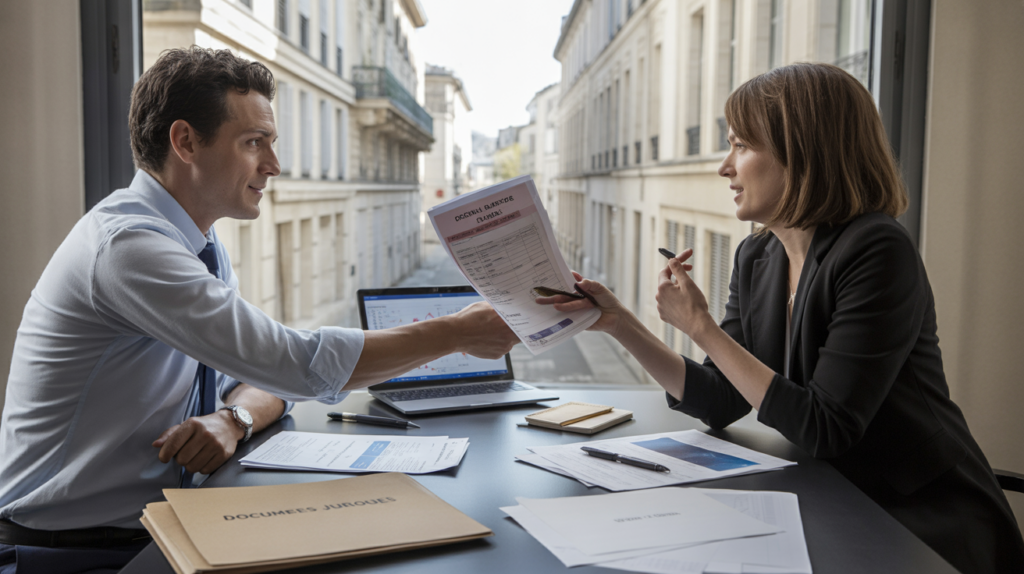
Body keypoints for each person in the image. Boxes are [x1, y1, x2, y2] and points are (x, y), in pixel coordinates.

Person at [0, 47, 517, 572]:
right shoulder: (130, 248)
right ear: (185, 142)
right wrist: (457, 333)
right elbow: (292, 364)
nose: (273, 165)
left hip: (159, 523)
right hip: (72, 546)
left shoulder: (198, 245)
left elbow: (260, 375)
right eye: (254, 143)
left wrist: (234, 419)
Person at [539, 63, 1024, 573]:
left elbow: (825, 426)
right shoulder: (758, 257)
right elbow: (720, 398)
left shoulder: (877, 249)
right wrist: (620, 323)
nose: (725, 167)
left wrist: (699, 325)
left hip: (919, 520)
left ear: (803, 154)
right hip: (833, 499)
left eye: (742, 146)